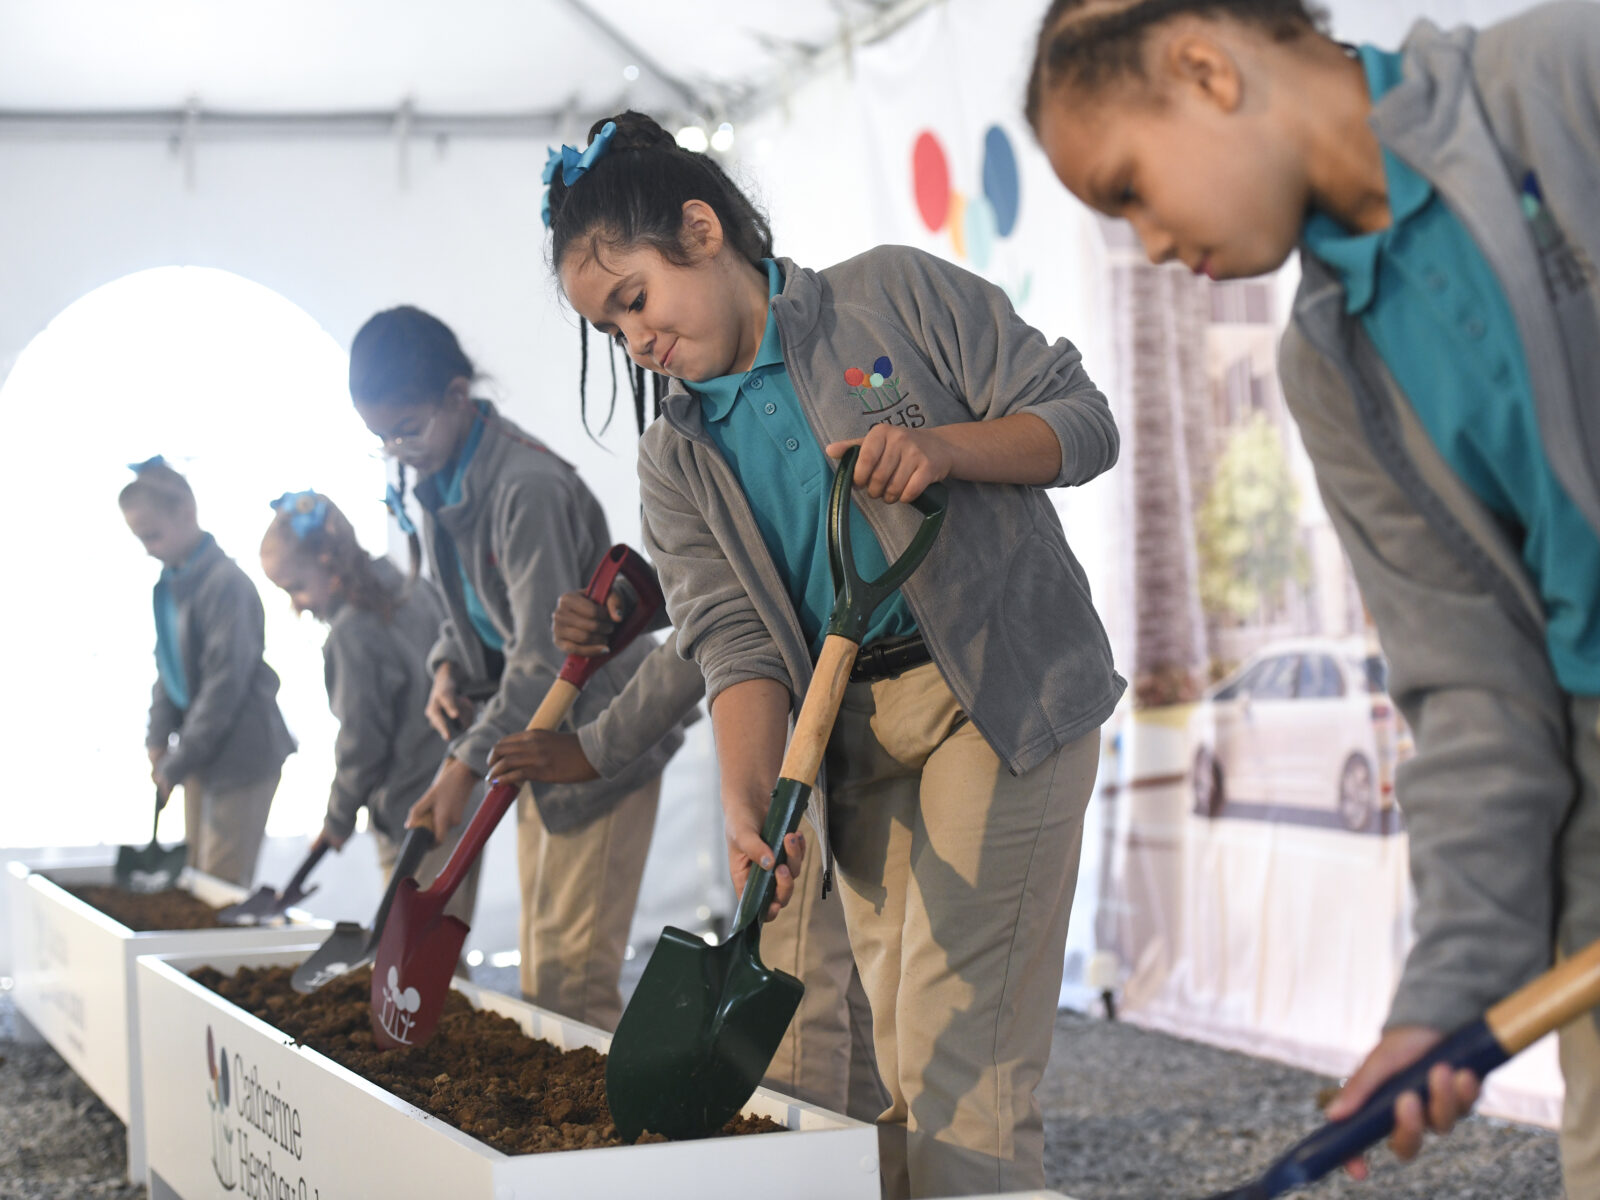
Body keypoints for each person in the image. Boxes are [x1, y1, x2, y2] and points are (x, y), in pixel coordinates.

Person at [1026, 0, 1600, 1192]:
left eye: (1129, 187)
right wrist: (1447, 992)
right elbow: (1477, 692)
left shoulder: (1565, 77)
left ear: (1203, 69)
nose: (1146, 244)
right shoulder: (1330, 370)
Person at [543, 111, 1123, 1197]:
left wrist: (943, 447)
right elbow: (734, 640)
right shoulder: (676, 458)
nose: (636, 341)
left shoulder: (888, 297)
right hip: (849, 738)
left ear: (702, 231)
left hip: (997, 698)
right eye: (610, 331)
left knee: (963, 1065)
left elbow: (1081, 422)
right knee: (903, 1058)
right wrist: (752, 800)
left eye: (634, 301)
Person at [346, 306, 688, 1031]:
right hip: (535, 742)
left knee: (573, 982)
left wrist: (458, 769)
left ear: (456, 397)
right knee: (543, 976)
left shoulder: (524, 488)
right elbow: (462, 611)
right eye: (381, 439)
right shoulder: (440, 478)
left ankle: (604, 1144)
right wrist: (446, 666)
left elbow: (541, 659)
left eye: (407, 429)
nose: (398, 451)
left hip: (600, 740)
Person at [489, 587, 888, 1122]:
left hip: (807, 730)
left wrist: (599, 745)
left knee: (803, 1005)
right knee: (853, 995)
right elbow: (711, 588)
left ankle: (802, 1173)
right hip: (862, 721)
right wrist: (647, 602)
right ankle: (875, 1173)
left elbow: (725, 603)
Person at [259, 488, 480, 927]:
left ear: (330, 561)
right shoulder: (410, 585)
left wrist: (338, 817)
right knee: (441, 941)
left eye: (297, 587)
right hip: (461, 794)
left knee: (410, 955)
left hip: (414, 815)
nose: (297, 603)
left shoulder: (352, 633)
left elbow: (362, 743)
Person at [120, 456, 294, 887]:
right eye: (140, 539)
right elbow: (168, 668)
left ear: (187, 513)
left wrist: (179, 760)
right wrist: (158, 739)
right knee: (196, 877)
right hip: (201, 755)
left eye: (154, 535)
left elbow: (224, 687)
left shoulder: (226, 585)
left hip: (241, 755)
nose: (148, 548)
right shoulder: (169, 583)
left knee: (221, 886)